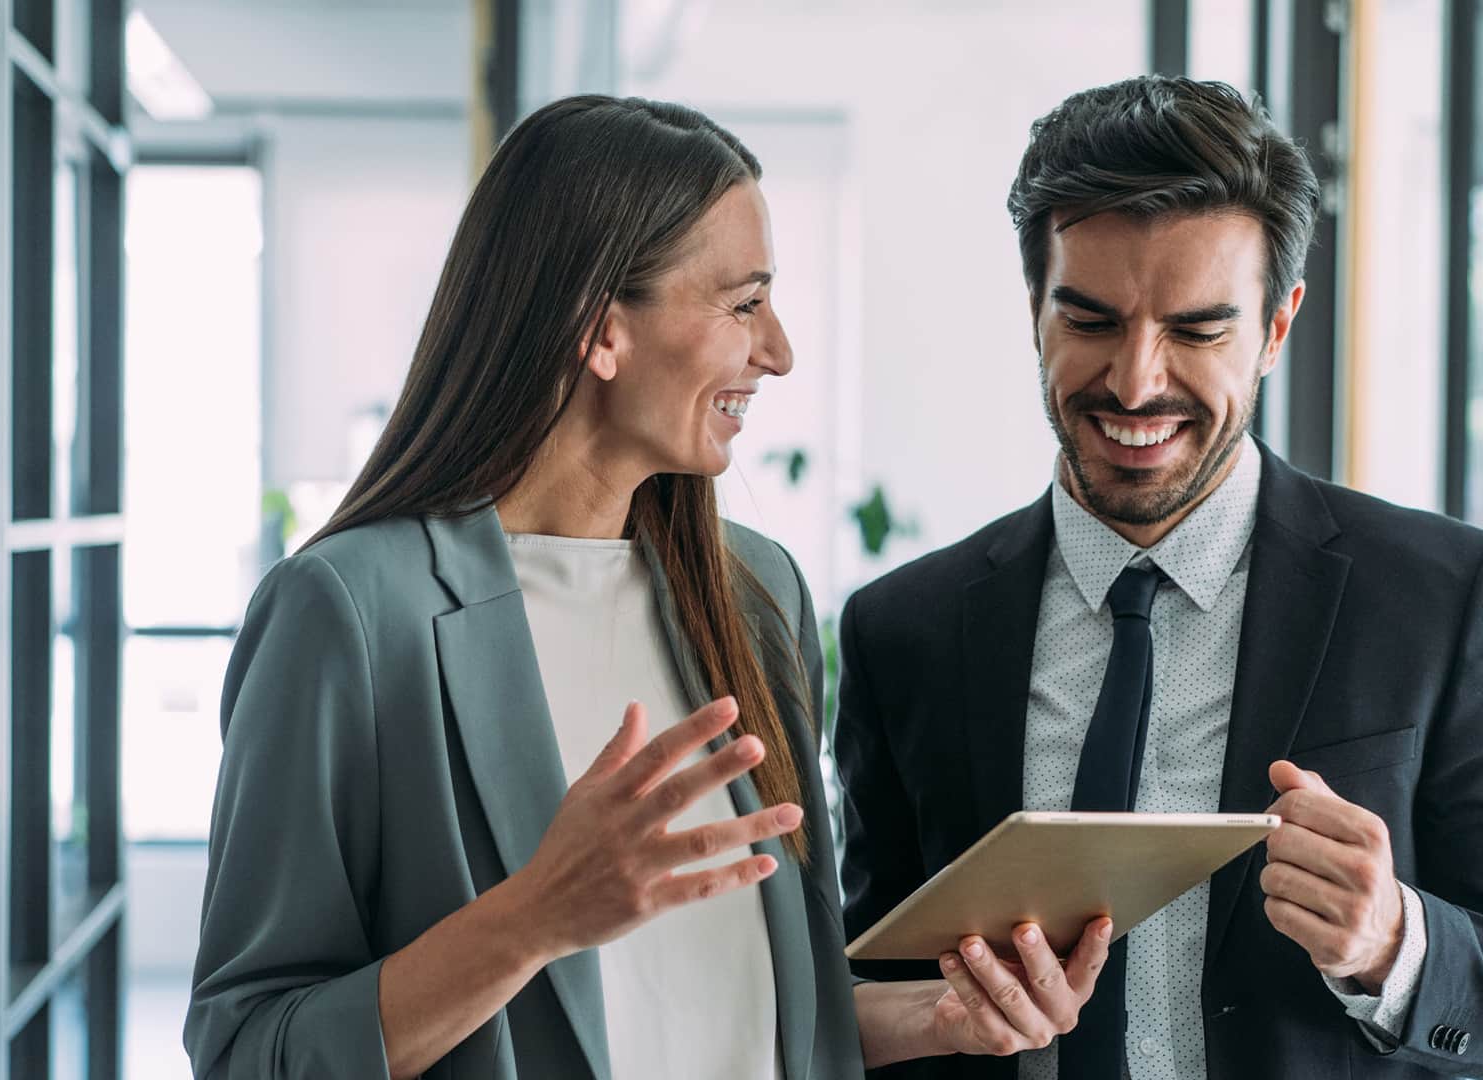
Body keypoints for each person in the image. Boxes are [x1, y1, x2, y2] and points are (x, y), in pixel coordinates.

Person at [182, 95, 1109, 1080]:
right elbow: (250, 1050)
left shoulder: (757, 594)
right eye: (745, 303)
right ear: (601, 328)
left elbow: (745, 1006)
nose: (780, 351)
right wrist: (533, 919)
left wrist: (938, 1015)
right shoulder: (349, 613)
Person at [835, 75, 1483, 1079]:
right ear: (1035, 309)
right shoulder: (903, 631)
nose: (1136, 382)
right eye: (1090, 320)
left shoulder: (1444, 597)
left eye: (1195, 329)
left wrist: (1397, 946)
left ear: (1276, 328)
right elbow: (864, 995)